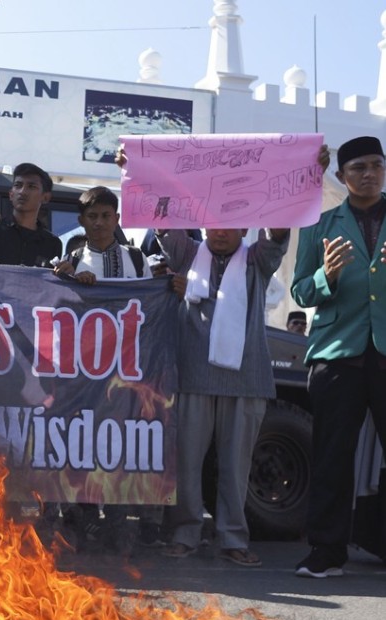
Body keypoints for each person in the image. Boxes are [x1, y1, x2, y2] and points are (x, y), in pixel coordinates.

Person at [158, 224, 289, 567]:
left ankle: (233, 537)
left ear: (244, 227)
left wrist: (283, 218)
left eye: (230, 226)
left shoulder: (256, 258)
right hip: (192, 375)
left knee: (236, 467)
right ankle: (185, 533)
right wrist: (139, 174)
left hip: (245, 378)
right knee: (186, 463)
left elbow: (275, 241)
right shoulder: (188, 253)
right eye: (213, 224)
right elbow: (165, 227)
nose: (220, 233)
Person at [291, 137, 386, 578]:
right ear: (341, 176)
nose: (369, 174)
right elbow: (301, 291)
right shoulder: (322, 222)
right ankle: (325, 552)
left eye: (376, 165)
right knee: (331, 456)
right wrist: (325, 276)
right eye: (358, 168)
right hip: (336, 354)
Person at [53, 186, 162, 552]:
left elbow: (147, 303)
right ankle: (84, 518)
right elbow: (55, 307)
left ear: (116, 218)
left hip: (125, 366)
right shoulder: (69, 256)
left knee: (117, 439)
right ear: (81, 221)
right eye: (91, 216)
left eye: (105, 216)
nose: (99, 223)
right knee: (84, 439)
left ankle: (117, 522)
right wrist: (70, 283)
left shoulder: (135, 259)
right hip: (82, 369)